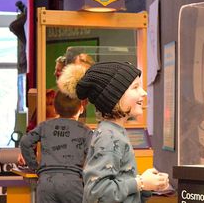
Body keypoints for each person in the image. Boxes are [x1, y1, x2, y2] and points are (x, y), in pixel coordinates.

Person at [63, 61, 169, 203]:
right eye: (135, 87)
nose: (143, 92)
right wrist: (141, 182)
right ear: (114, 98)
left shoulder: (115, 132)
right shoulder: (108, 136)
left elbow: (121, 187)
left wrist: (147, 185)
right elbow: (96, 192)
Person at [20, 64, 93, 203]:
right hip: (72, 183)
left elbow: (25, 142)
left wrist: (35, 166)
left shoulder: (45, 126)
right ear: (81, 108)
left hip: (45, 182)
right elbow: (92, 155)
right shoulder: (85, 131)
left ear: (55, 108)